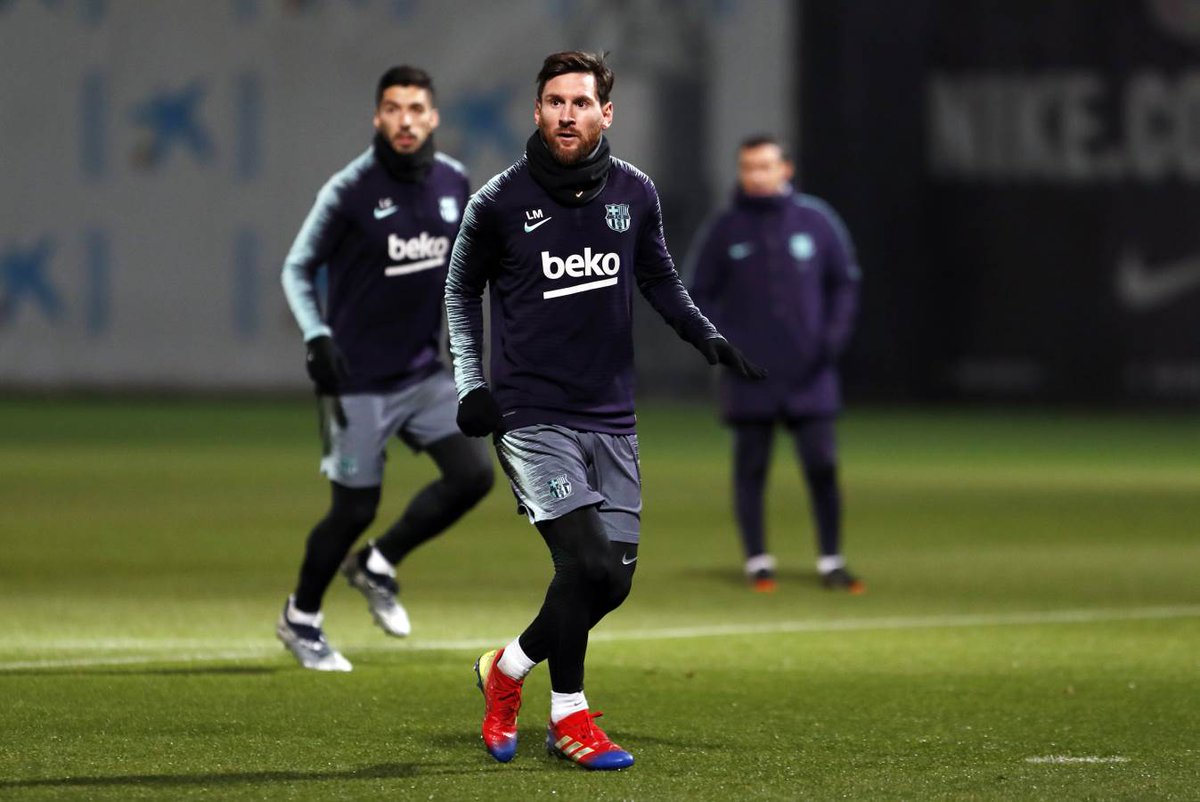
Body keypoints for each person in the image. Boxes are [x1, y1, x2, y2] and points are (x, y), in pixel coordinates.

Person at [445, 51, 765, 771]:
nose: (567, 113)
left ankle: (507, 669)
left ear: (605, 113)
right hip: (531, 415)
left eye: (580, 102)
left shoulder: (635, 194)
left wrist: (704, 336)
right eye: (554, 101)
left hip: (611, 416)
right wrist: (471, 384)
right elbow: (460, 293)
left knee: (611, 580)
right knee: (584, 559)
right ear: (537, 111)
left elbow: (660, 278)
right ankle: (571, 718)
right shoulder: (498, 202)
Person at [275, 65, 494, 672]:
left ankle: (378, 562)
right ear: (378, 117)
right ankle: (302, 618)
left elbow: (465, 274)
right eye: (393, 108)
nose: (405, 120)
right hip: (356, 381)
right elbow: (296, 268)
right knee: (353, 509)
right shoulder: (349, 189)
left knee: (474, 476)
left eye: (416, 108)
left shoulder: (455, 183)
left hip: (423, 374)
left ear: (434, 117)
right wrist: (317, 335)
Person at [688, 134, 863, 594]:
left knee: (822, 466)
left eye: (765, 166)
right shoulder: (726, 228)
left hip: (811, 373)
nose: (756, 175)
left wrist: (831, 340)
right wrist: (725, 343)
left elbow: (844, 283)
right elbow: (695, 293)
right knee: (751, 468)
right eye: (748, 167)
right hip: (749, 377)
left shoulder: (817, 221)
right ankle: (758, 562)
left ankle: (831, 560)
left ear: (785, 169)